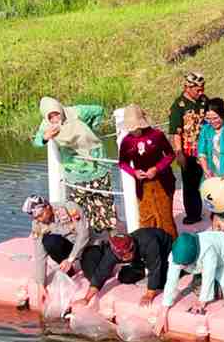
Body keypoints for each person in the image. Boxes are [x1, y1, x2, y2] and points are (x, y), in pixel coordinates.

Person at [32, 97, 116, 232]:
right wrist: (45, 137)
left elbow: (99, 110)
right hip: (75, 170)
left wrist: (91, 129)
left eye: (56, 114)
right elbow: (36, 142)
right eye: (50, 116)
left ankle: (109, 235)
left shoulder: (76, 112)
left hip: (96, 163)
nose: (54, 119)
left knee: (103, 202)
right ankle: (86, 237)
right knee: (79, 209)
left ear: (60, 110)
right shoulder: (46, 125)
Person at [157, 230, 224, 332]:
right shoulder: (175, 254)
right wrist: (164, 310)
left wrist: (202, 302)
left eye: (184, 264)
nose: (181, 267)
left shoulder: (207, 250)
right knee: (196, 285)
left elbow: (208, 276)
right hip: (209, 254)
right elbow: (171, 279)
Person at [117, 104, 178, 239]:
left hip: (163, 181)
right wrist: (134, 172)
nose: (134, 131)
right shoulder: (126, 141)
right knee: (146, 219)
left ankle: (172, 247)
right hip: (143, 185)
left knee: (165, 218)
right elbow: (122, 162)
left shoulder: (157, 135)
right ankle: (149, 247)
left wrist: (157, 168)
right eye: (131, 128)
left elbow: (170, 155)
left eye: (136, 127)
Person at [76, 228, 172, 307]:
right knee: (125, 277)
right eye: (123, 256)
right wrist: (86, 299)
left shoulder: (148, 242)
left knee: (160, 282)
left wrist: (149, 295)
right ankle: (141, 268)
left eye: (129, 253)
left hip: (164, 247)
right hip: (139, 257)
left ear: (132, 245)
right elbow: (100, 273)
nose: (126, 257)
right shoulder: (113, 252)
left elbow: (155, 268)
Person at [23, 195, 92, 297]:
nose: (39, 219)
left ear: (47, 207)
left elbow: (84, 235)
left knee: (91, 273)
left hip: (86, 246)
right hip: (69, 247)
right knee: (49, 242)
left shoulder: (69, 208)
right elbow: (40, 255)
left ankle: (73, 263)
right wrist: (41, 284)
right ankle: (69, 270)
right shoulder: (37, 223)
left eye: (41, 215)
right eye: (36, 217)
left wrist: (70, 259)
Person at [167, 72, 207, 224]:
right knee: (191, 186)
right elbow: (175, 132)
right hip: (189, 153)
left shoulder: (203, 100)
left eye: (202, 88)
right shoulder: (178, 106)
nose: (201, 92)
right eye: (198, 89)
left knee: (211, 178)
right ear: (187, 87)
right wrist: (179, 153)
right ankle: (193, 214)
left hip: (206, 149)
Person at [196, 97, 224, 179]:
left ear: (222, 114)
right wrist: (206, 169)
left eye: (215, 118)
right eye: (208, 119)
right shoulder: (206, 129)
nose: (212, 122)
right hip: (212, 173)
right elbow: (201, 151)